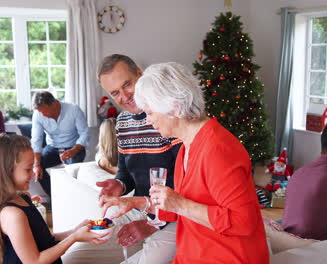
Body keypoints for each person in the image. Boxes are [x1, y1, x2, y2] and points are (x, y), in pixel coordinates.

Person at [100, 62, 269, 263]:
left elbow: (243, 222)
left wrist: (180, 205)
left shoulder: (218, 150)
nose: (147, 120)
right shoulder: (187, 147)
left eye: (151, 112)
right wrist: (135, 202)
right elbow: (176, 208)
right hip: (193, 254)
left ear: (174, 107)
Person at [97, 54, 182, 264]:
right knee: (83, 249)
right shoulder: (123, 122)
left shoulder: (169, 117)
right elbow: (125, 174)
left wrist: (152, 223)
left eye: (127, 84)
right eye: (115, 93)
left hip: (175, 215)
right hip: (139, 208)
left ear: (140, 75)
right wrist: (118, 184)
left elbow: (186, 185)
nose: (124, 96)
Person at [0, 134, 107, 264]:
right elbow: (34, 261)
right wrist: (74, 238)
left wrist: (74, 231)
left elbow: (43, 240)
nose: (33, 174)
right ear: (6, 171)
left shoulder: (23, 197)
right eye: (27, 169)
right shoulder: (12, 214)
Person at [31, 91, 89, 197]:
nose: (42, 114)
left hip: (74, 147)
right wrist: (36, 165)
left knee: (72, 170)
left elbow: (84, 133)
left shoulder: (73, 109)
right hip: (52, 147)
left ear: (54, 104)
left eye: (44, 111)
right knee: (37, 168)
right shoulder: (38, 115)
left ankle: (74, 199)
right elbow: (36, 140)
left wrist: (73, 150)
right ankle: (56, 197)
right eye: (40, 112)